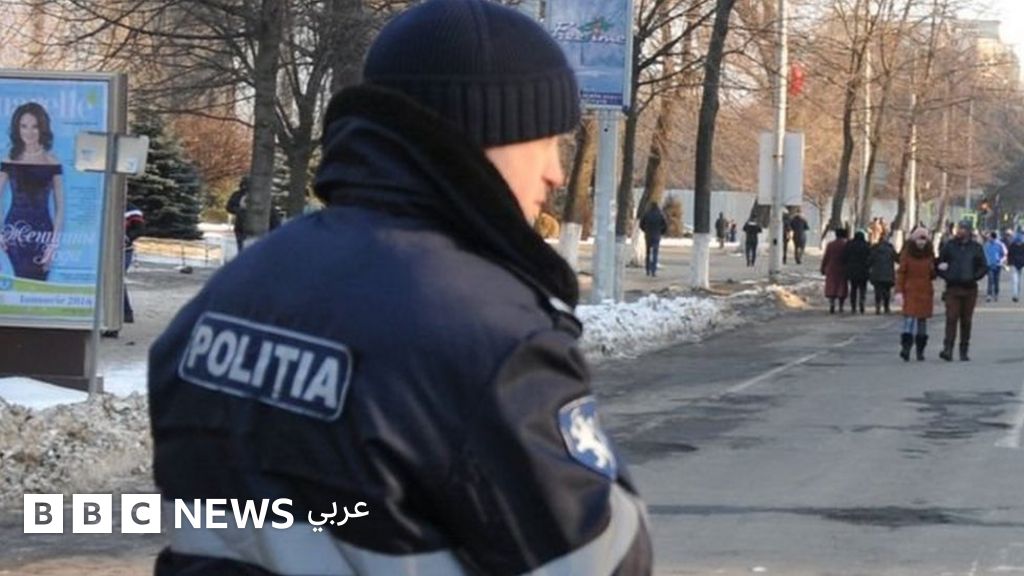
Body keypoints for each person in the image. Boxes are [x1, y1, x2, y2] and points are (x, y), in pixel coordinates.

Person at [148, 2, 652, 575]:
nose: (556, 172)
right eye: (546, 140)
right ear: (484, 131)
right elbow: (598, 559)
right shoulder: (489, 336)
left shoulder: (232, 292)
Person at [0, 102, 64, 281]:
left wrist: (54, 243)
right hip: (14, 232)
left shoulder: (52, 161)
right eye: (24, 126)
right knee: (20, 279)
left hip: (43, 233)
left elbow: (60, 207)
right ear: (17, 128)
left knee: (40, 280)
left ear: (42, 128)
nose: (29, 132)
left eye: (34, 126)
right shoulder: (9, 159)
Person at [937, 219, 988, 361]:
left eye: (963, 228)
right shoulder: (949, 246)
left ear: (969, 231)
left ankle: (963, 350)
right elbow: (940, 263)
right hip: (952, 288)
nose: (960, 231)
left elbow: (983, 267)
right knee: (951, 318)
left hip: (969, 289)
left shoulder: (976, 248)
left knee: (966, 321)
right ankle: (948, 349)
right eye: (959, 228)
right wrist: (946, 274)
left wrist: (973, 277)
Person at [895, 227, 935, 361]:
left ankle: (920, 351)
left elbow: (932, 273)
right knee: (909, 320)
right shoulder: (907, 254)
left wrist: (937, 269)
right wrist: (899, 291)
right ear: (914, 240)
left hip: (925, 291)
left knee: (922, 322)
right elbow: (901, 273)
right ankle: (906, 349)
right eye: (919, 239)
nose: (921, 242)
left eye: (924, 239)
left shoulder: (929, 254)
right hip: (910, 291)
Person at [843, 230, 871, 314]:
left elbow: (845, 257)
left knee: (853, 289)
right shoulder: (866, 245)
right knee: (863, 289)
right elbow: (870, 257)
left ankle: (853, 306)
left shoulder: (849, 245)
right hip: (863, 270)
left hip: (852, 271)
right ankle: (862, 303)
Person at [822, 228, 849, 314]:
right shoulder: (846, 244)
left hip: (832, 267)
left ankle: (832, 303)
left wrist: (823, 267)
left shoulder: (830, 244)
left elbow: (826, 257)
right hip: (843, 268)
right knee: (842, 286)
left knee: (832, 285)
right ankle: (841, 305)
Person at [868, 232, 897, 314]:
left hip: (877, 273)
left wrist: (869, 267)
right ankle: (886, 307)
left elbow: (870, 260)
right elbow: (897, 258)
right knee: (887, 291)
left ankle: (878, 307)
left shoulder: (875, 248)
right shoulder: (890, 248)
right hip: (888, 273)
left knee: (878, 291)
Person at [640, 202, 668, 277]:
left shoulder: (647, 214)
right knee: (655, 253)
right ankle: (653, 270)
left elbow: (641, 224)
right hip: (656, 235)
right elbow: (665, 225)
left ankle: (647, 269)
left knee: (648, 252)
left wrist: (645, 230)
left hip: (648, 235)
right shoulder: (660, 214)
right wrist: (661, 232)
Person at [984, 231, 1007, 302]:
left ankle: (996, 293)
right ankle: (989, 295)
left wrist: (1001, 261)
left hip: (997, 266)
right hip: (989, 266)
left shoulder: (1000, 244)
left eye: (989, 237)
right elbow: (984, 254)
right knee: (990, 280)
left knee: (996, 280)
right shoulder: (986, 245)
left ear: (992, 237)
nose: (988, 238)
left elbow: (1005, 254)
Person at [1008, 232, 1024, 302]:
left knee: (1019, 281)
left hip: (1021, 265)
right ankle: (1015, 295)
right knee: (1015, 281)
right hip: (1015, 265)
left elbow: (1009, 255)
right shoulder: (1012, 246)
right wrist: (1009, 263)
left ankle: (1017, 295)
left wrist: (1009, 263)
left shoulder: (1012, 245)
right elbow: (1009, 255)